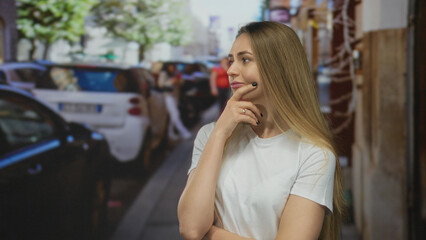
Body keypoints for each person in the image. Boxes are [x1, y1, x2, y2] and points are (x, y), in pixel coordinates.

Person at [177, 21, 344, 240]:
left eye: (244, 60)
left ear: (279, 67)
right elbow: (190, 228)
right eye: (231, 60)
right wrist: (219, 134)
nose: (231, 70)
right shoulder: (210, 135)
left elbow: (198, 232)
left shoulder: (314, 154)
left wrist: (209, 234)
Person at [158, 62, 192, 140]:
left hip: (175, 96)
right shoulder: (164, 73)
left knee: (172, 116)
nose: (172, 68)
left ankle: (171, 134)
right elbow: (161, 84)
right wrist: (171, 82)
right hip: (168, 96)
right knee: (175, 114)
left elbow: (181, 81)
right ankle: (184, 132)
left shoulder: (175, 73)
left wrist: (178, 80)